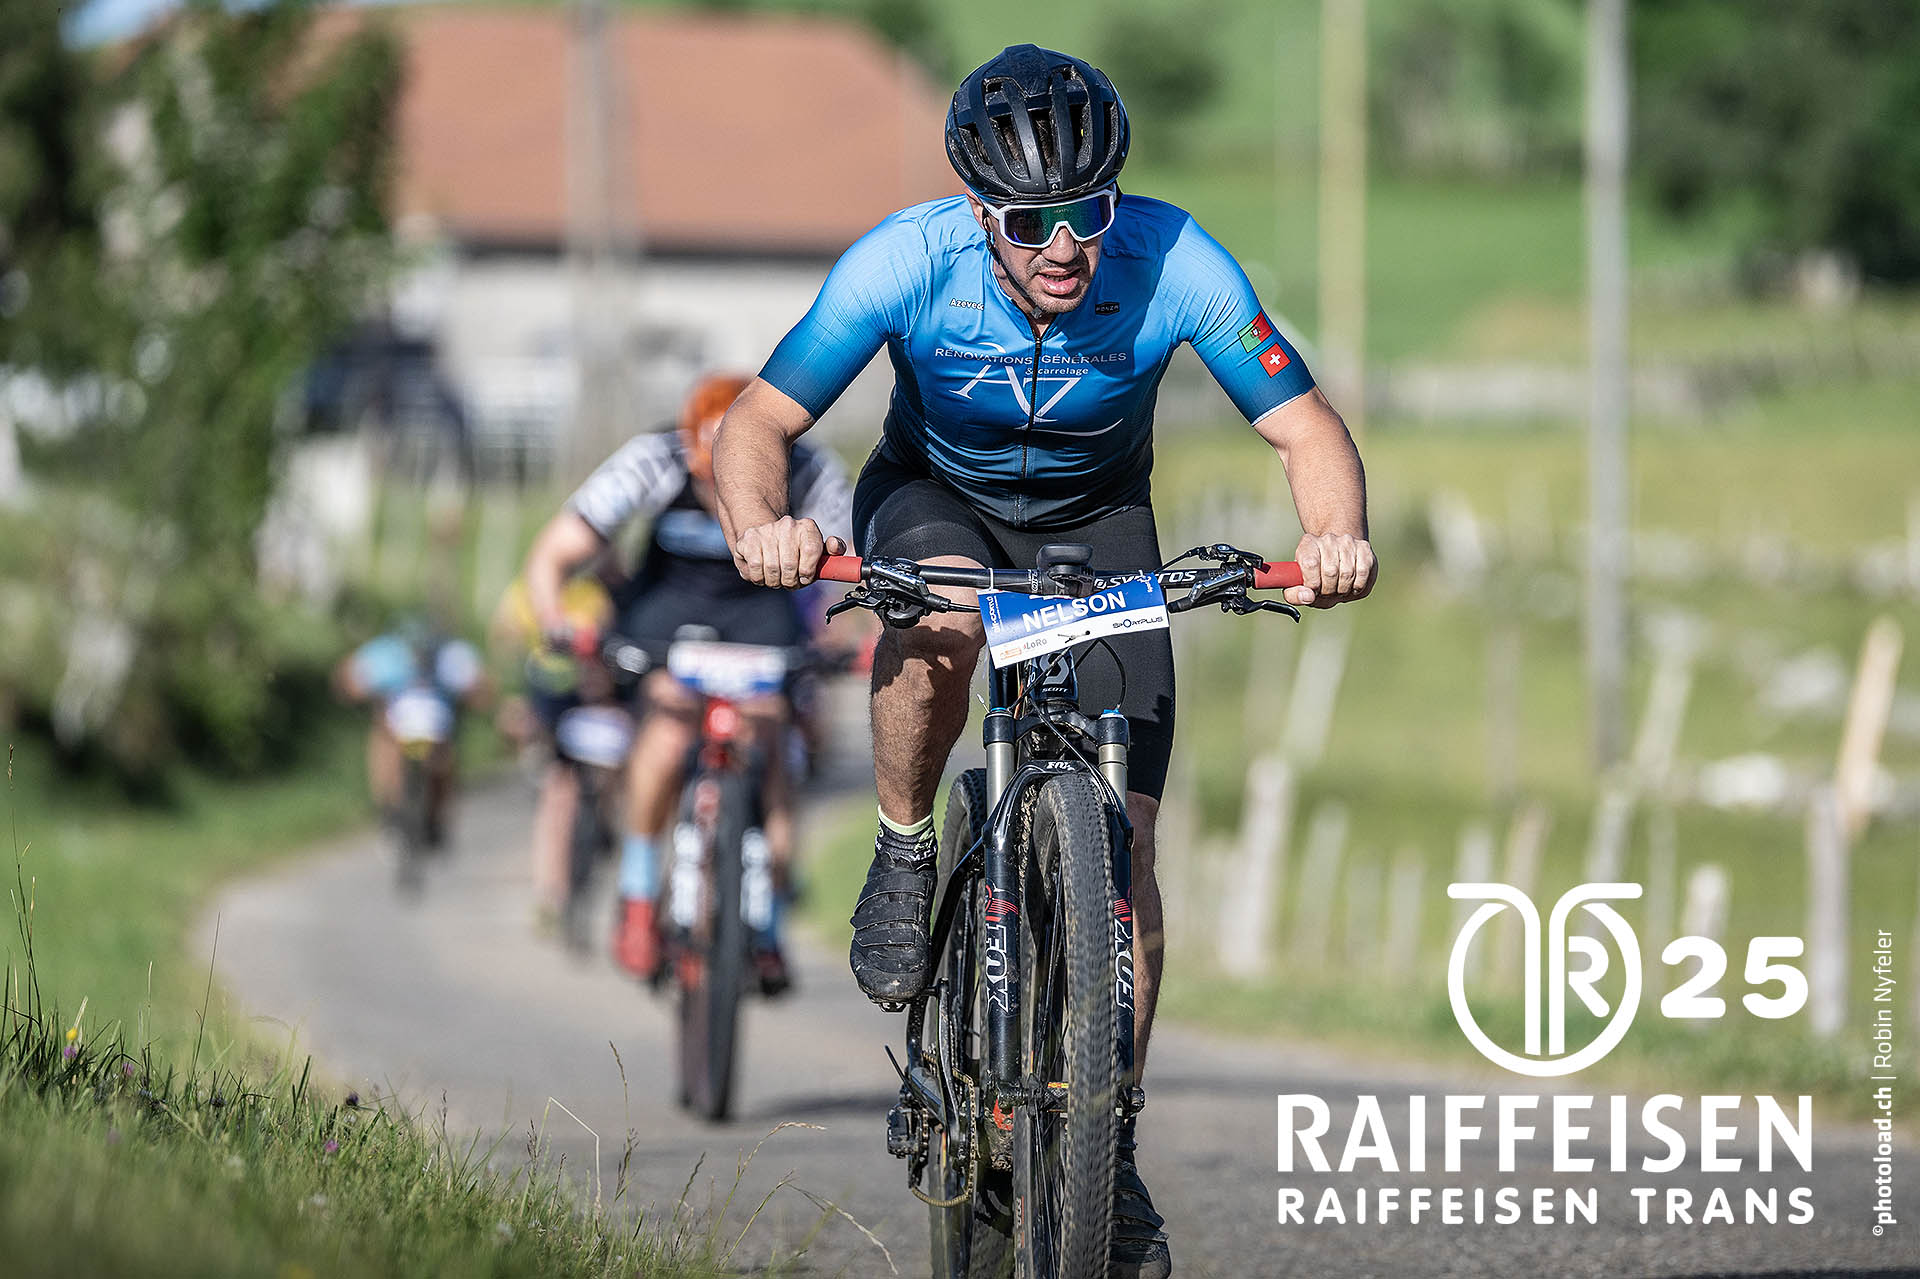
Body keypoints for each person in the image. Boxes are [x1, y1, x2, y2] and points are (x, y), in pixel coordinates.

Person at [711, 44, 1377, 1278]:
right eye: (1032, 223)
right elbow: (759, 422)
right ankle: (906, 845)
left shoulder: (1177, 260)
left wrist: (1335, 534)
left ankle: (1105, 1146)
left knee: (1130, 846)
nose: (1067, 246)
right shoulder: (903, 261)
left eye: (1090, 212)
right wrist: (762, 523)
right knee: (944, 626)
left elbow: (1305, 427)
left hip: (1099, 521)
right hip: (935, 499)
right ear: (980, 214)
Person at [522, 373, 855, 992]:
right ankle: (639, 891)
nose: (722, 497)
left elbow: (856, 572)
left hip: (760, 615)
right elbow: (555, 552)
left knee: (772, 739)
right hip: (667, 615)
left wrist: (850, 639)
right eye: (708, 481)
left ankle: (769, 916)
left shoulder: (810, 471)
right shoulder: (653, 459)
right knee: (668, 728)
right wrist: (555, 620)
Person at [334, 617, 489, 850]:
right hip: (406, 725)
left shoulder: (444, 656)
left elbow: (480, 688)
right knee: (389, 743)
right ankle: (392, 808)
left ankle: (413, 812)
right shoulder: (390, 655)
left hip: (431, 728)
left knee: (430, 755)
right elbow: (348, 679)